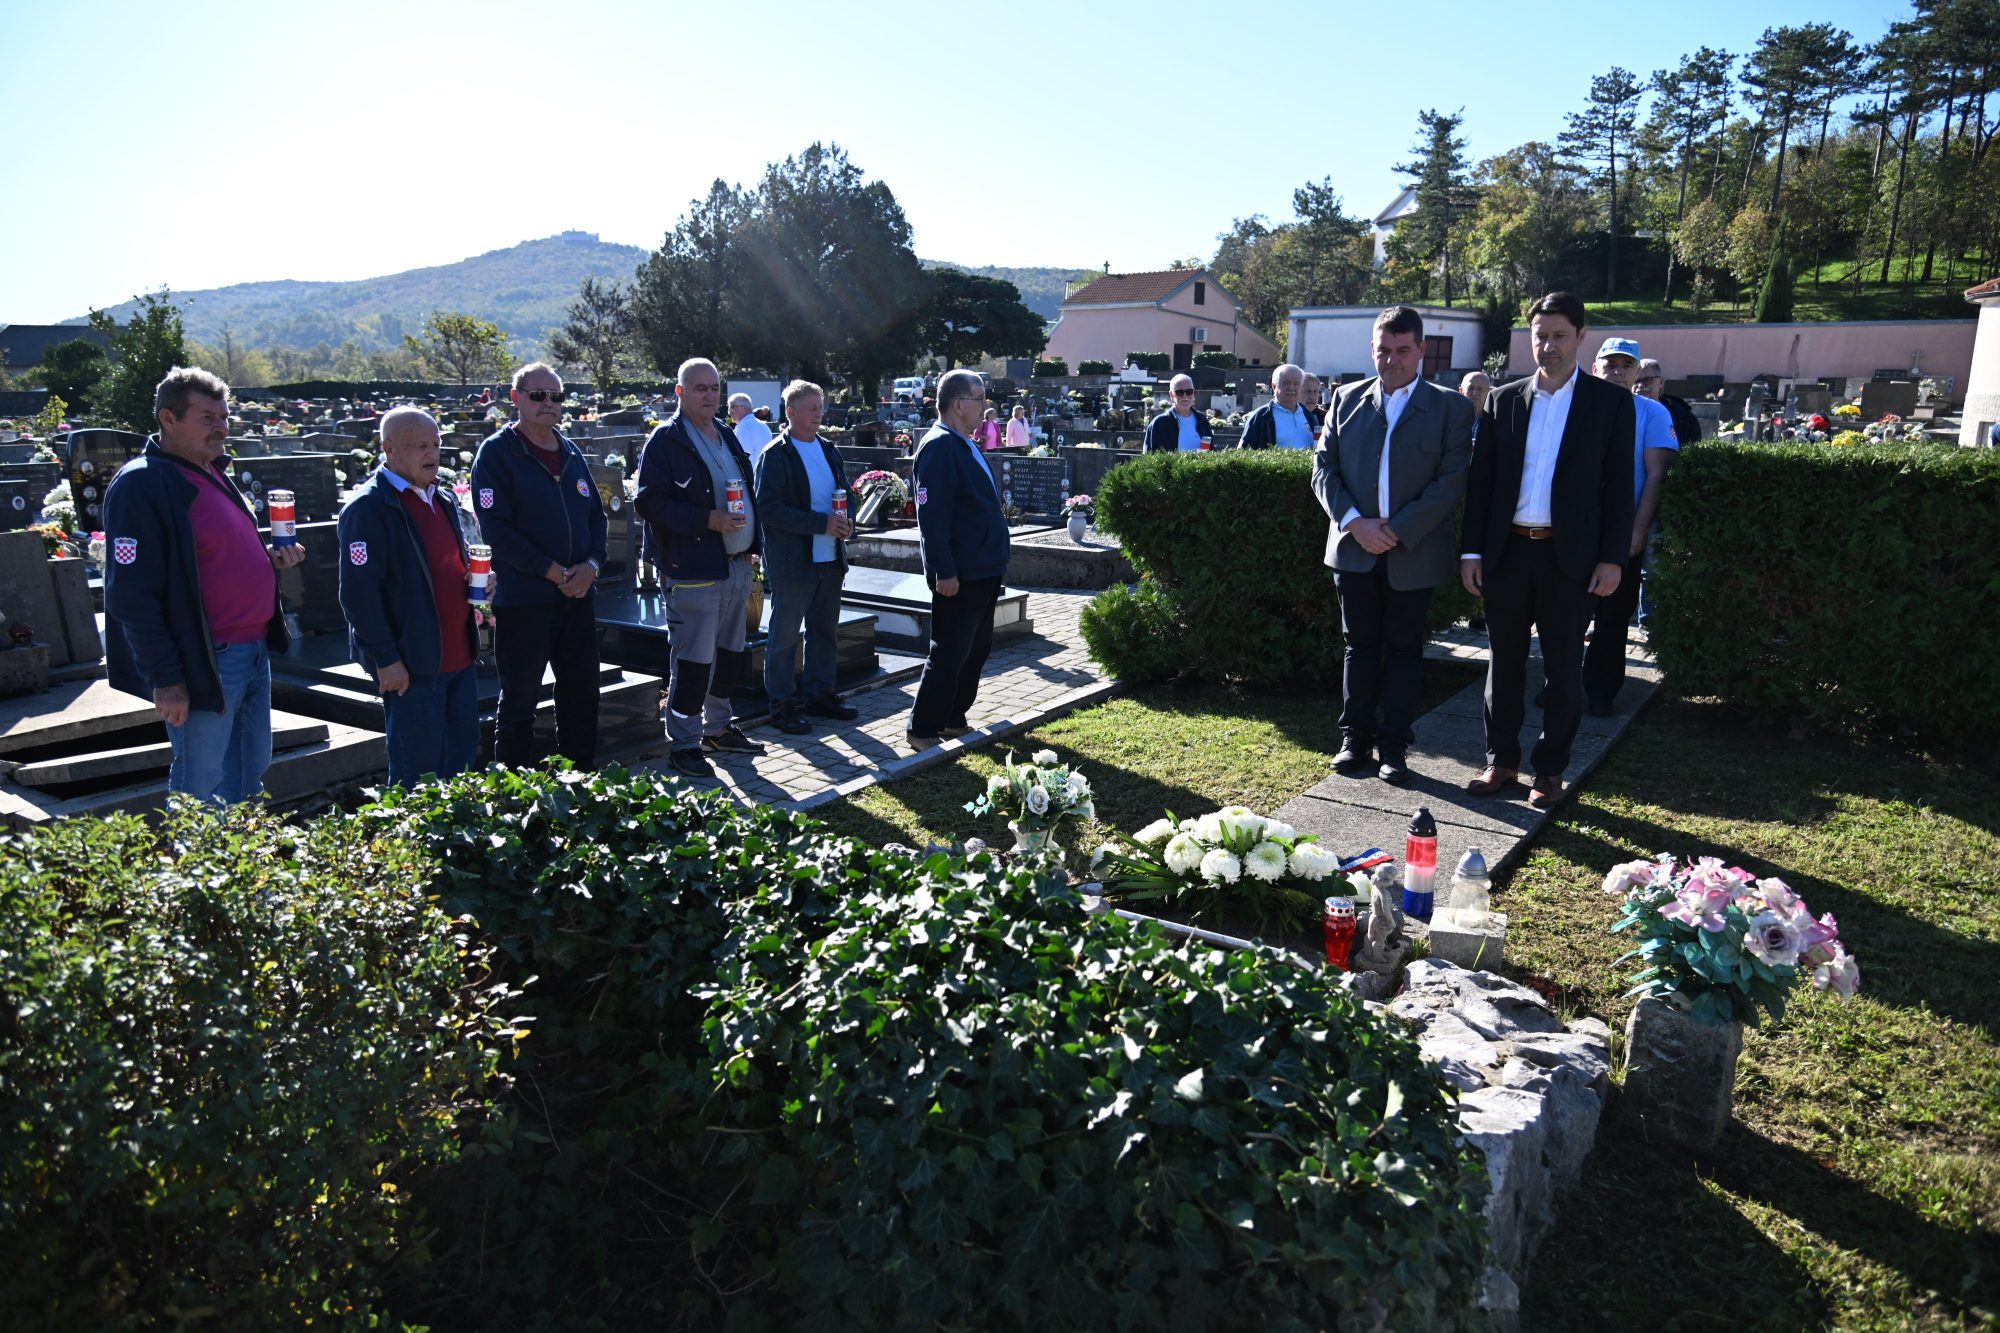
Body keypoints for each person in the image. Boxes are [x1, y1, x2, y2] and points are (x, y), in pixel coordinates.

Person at [1459, 292, 1634, 809]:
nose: (1549, 346)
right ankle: (1501, 761)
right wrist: (1471, 552)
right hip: (1508, 552)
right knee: (1504, 663)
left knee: (1563, 668)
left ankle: (1550, 770)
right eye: (1540, 336)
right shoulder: (1504, 400)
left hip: (1570, 560)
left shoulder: (1609, 403)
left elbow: (1618, 489)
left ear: (1581, 337)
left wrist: (1612, 558)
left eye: (1559, 336)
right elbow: (1482, 484)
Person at [102, 366, 306, 803]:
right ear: (168, 419)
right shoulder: (144, 483)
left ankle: (243, 849)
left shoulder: (211, 470)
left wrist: (268, 560)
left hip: (252, 651)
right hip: (205, 659)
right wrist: (166, 678)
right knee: (200, 789)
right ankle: (196, 853)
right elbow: (131, 595)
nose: (221, 427)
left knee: (248, 778)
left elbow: (213, 556)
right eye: (207, 417)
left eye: (224, 417)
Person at [1313, 308, 1475, 784]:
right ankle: (1354, 740)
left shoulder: (1450, 408)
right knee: (1358, 647)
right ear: (1372, 349)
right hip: (1354, 548)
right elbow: (1323, 470)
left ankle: (1394, 748)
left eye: (1403, 350)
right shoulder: (1346, 399)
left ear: (1421, 350)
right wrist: (1355, 523)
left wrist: (1397, 530)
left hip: (1413, 551)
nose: (1392, 360)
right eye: (1383, 350)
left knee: (1405, 650)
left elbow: (1450, 482)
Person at [469, 362, 607, 771]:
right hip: (526, 599)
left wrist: (591, 565)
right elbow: (497, 529)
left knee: (582, 691)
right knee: (520, 700)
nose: (549, 403)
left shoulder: (570, 451)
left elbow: (596, 519)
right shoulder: (497, 454)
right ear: (516, 398)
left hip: (577, 596)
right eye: (538, 395)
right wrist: (550, 570)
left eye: (556, 396)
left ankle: (581, 777)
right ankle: (511, 786)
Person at [636, 357, 765, 778]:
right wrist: (706, 520)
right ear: (680, 392)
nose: (709, 395)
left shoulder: (724, 432)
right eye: (699, 388)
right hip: (693, 569)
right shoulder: (666, 440)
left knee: (728, 657)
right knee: (693, 662)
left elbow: (745, 491)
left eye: (714, 388)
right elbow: (648, 503)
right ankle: (685, 744)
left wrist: (750, 544)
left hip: (735, 565)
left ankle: (718, 728)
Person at [337, 405, 478, 787]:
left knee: (462, 772)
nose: (433, 454)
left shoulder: (442, 499)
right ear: (389, 449)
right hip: (412, 667)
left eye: (436, 444)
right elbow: (358, 594)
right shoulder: (368, 508)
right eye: (420, 446)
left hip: (460, 658)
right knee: (416, 779)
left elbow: (448, 565)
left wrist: (478, 580)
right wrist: (386, 659)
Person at [907, 369, 1008, 746]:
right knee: (950, 651)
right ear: (959, 404)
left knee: (974, 650)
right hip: (960, 574)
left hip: (983, 569)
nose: (985, 405)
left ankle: (952, 717)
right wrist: (943, 570)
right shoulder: (939, 447)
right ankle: (922, 728)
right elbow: (932, 517)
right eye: (979, 398)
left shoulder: (963, 443)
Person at [754, 379, 860, 735]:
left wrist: (848, 520)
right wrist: (821, 523)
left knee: (824, 630)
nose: (819, 414)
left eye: (821, 407)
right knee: (785, 635)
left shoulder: (828, 448)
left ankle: (819, 694)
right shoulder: (776, 454)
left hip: (830, 556)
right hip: (793, 561)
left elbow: (845, 492)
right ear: (791, 412)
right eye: (812, 408)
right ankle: (782, 703)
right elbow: (769, 508)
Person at [1583, 339, 1680, 712]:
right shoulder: (1576, 406)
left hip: (1622, 531)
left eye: (1626, 366)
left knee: (1612, 617)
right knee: (1565, 615)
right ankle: (1558, 684)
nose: (1618, 372)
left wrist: (1637, 531)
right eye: (1610, 365)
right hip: (1576, 529)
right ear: (1596, 369)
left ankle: (1601, 691)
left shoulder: (1652, 413)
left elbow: (1657, 475)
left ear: (1638, 372)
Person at [1238, 363, 1318, 449]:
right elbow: (1243, 451)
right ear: (1274, 386)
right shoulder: (1261, 417)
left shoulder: (1308, 415)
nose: (1291, 388)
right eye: (1286, 383)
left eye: (1296, 384)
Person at [1636, 357, 1701, 446]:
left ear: (1661, 382)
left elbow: (1694, 451)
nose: (1640, 386)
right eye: (1635, 381)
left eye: (1647, 380)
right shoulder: (1622, 413)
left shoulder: (1684, 418)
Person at [1144, 374, 1213, 451]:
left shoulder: (1202, 420)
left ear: (1193, 393)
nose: (1185, 396)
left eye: (1189, 392)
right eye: (1179, 392)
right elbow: (1148, 455)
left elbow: (1211, 451)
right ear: (1171, 395)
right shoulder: (1159, 423)